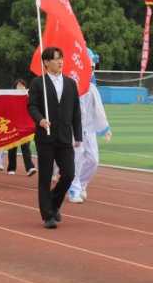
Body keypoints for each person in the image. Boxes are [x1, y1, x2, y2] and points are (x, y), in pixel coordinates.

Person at [28, 46, 82, 230]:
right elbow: (31, 105)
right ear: (46, 62)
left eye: (61, 58)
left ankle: (53, 202)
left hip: (65, 137)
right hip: (45, 137)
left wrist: (78, 134)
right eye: (56, 59)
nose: (60, 62)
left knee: (68, 174)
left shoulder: (70, 83)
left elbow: (76, 110)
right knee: (45, 177)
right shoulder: (38, 83)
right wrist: (40, 119)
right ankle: (47, 216)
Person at [69, 51, 112, 204]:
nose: (91, 70)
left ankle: (81, 184)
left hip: (89, 130)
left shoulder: (92, 88)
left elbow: (98, 109)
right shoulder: (71, 86)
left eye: (93, 67)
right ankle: (73, 189)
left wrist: (105, 128)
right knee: (77, 158)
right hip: (74, 130)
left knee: (93, 160)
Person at [6, 79, 37, 176]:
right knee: (12, 148)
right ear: (15, 87)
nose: (21, 87)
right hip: (13, 126)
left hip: (24, 126)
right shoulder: (11, 98)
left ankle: (30, 167)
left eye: (23, 85)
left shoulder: (28, 97)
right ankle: (11, 168)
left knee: (25, 146)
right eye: (19, 85)